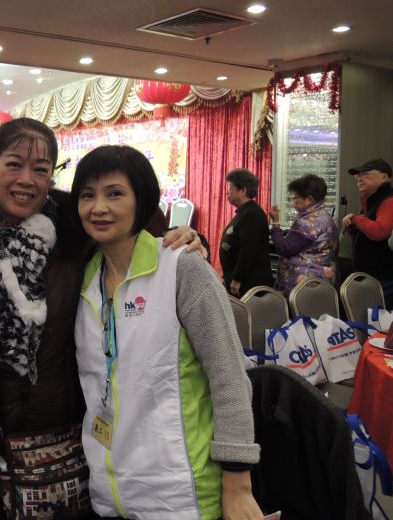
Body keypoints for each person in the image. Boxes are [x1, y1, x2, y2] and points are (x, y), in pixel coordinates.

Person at [0, 117, 202, 519]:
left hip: (65, 441)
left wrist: (185, 238)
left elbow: (139, 239)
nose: (26, 180)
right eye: (14, 165)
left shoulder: (79, 230)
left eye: (40, 169)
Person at [72, 145, 261, 519]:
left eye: (115, 193)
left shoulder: (180, 267)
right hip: (109, 492)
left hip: (182, 495)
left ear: (142, 200)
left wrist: (238, 484)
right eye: (87, 195)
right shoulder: (83, 279)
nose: (98, 208)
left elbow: (229, 376)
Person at [343, 158, 393, 310]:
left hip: (385, 277)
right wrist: (354, 228)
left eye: (366, 174)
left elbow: (380, 231)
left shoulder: (391, 201)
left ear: (384, 176)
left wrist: (356, 218)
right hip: (374, 277)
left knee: (382, 321)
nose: (360, 178)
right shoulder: (373, 200)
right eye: (358, 175)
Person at [270, 174, 338, 297]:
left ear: (310, 199)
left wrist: (276, 223)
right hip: (321, 282)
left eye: (295, 197)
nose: (293, 201)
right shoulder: (325, 216)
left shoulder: (306, 222)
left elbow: (283, 248)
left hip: (302, 286)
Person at [219, 168, 273, 297]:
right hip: (240, 280)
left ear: (243, 191)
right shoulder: (245, 211)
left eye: (231, 187)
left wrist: (237, 279)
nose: (227, 191)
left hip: (249, 284)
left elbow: (248, 250)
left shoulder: (252, 214)